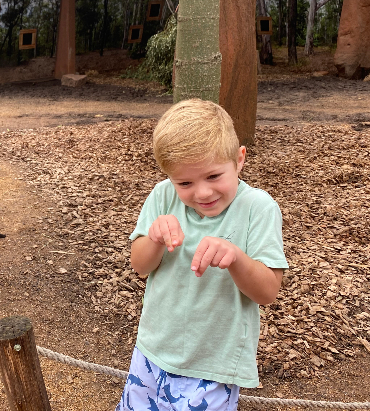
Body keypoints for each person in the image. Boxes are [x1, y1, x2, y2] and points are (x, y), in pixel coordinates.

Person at [116, 99, 288, 411]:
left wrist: (236, 257)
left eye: (213, 176)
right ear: (170, 178)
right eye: (185, 182)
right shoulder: (163, 195)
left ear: (239, 160)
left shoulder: (258, 208)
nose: (202, 193)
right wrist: (153, 237)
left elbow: (267, 291)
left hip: (212, 367)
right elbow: (140, 266)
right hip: (152, 351)